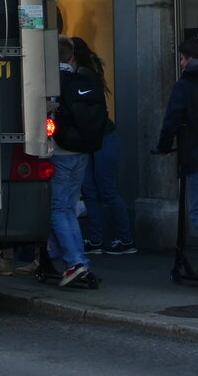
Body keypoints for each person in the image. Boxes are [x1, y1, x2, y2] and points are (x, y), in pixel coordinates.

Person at [156, 37, 198, 292]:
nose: (182, 63)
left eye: (184, 58)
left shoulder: (186, 85)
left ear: (192, 59)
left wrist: (163, 146)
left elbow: (172, 119)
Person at [73, 36, 136, 255]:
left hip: (98, 138)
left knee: (99, 190)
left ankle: (121, 239)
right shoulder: (89, 74)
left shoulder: (83, 76)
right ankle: (104, 239)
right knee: (96, 190)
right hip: (98, 138)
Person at [48, 35, 96, 286]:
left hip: (60, 152)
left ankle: (75, 262)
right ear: (72, 57)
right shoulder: (83, 80)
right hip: (82, 152)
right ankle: (80, 262)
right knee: (69, 208)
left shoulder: (52, 83)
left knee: (57, 209)